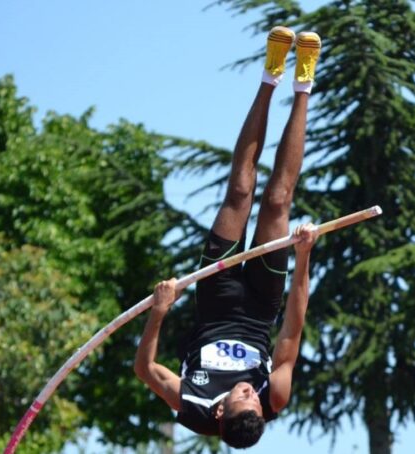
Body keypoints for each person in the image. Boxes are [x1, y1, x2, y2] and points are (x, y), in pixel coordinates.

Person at [134, 26, 322, 449]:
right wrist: (304, 255)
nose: (249, 392)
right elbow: (291, 331)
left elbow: (145, 370)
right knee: (278, 201)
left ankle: (270, 75)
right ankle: (303, 82)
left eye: (242, 398)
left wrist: (159, 311)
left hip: (215, 299)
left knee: (239, 191)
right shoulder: (273, 396)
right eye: (254, 400)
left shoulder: (194, 406)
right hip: (261, 306)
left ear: (221, 412)